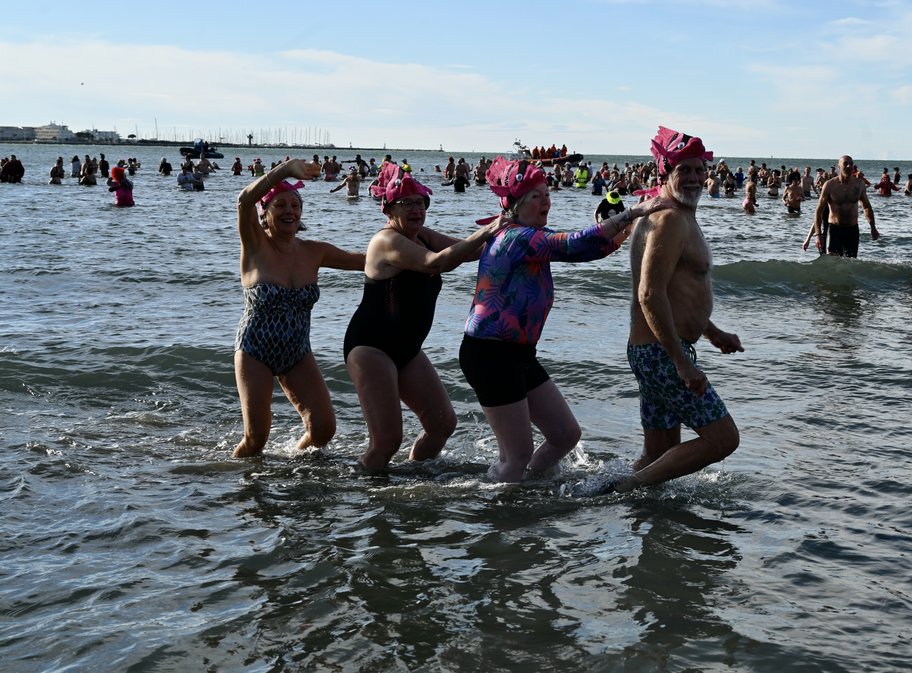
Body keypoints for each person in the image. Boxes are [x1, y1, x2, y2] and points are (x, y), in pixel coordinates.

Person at [458, 157, 668, 482]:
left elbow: (587, 250)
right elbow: (572, 243)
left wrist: (628, 228)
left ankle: (526, 486)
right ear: (515, 205)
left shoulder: (531, 236)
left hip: (517, 354)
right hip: (490, 353)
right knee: (516, 455)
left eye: (547, 194)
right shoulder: (516, 238)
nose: (546, 201)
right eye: (536, 196)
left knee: (565, 435)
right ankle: (494, 503)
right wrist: (631, 213)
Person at [344, 169, 507, 472]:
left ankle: (415, 478)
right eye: (406, 203)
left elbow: (472, 251)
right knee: (386, 442)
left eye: (420, 202)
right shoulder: (386, 240)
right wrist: (487, 231)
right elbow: (437, 262)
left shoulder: (422, 236)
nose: (416, 209)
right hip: (371, 347)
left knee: (441, 424)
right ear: (388, 209)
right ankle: (362, 488)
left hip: (407, 348)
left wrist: (510, 230)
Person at [613, 126, 742, 493]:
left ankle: (600, 494)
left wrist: (712, 332)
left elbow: (677, 293)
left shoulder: (673, 213)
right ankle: (623, 490)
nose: (694, 178)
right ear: (665, 173)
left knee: (658, 455)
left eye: (699, 169)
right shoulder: (669, 219)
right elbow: (650, 294)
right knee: (723, 439)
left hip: (652, 351)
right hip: (661, 353)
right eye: (684, 170)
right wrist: (681, 362)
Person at [231, 158, 365, 458]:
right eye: (280, 205)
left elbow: (365, 261)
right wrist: (285, 169)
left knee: (323, 429)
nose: (289, 211)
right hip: (254, 349)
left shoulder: (314, 251)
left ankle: (295, 463)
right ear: (265, 213)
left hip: (297, 351)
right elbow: (243, 200)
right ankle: (234, 478)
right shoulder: (255, 245)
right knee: (256, 439)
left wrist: (417, 252)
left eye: (295, 205)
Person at [805, 155, 879, 258]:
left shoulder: (859, 184)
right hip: (834, 230)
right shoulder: (829, 185)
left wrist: (873, 227)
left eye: (851, 164)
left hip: (852, 230)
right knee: (832, 261)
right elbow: (819, 211)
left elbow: (866, 207)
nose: (849, 166)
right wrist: (818, 235)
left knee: (851, 262)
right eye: (845, 163)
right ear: (839, 167)